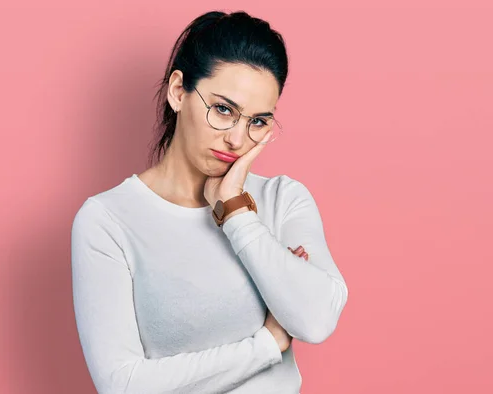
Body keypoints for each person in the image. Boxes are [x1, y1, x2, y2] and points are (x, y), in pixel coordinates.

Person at [71, 10, 348, 394]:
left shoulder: (282, 199)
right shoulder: (109, 221)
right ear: (178, 91)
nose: (237, 139)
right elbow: (123, 385)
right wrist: (265, 346)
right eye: (223, 110)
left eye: (258, 121)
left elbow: (316, 321)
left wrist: (235, 212)